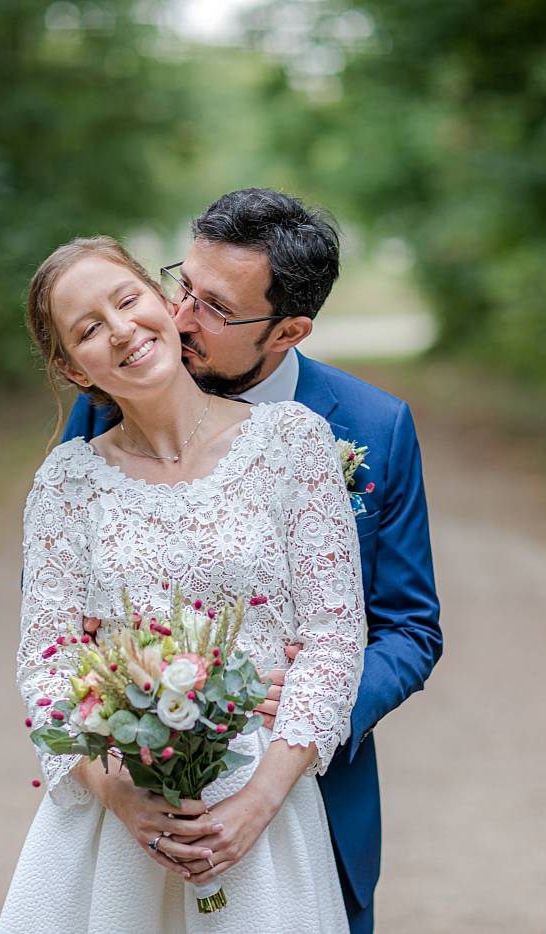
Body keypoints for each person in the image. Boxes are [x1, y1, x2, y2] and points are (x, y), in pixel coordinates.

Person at [61, 189, 443, 934]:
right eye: (183, 286)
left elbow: (411, 629)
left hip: (313, 799)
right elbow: (60, 613)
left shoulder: (374, 427)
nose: (179, 318)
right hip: (148, 789)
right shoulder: (113, 402)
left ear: (288, 330)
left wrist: (314, 702)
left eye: (215, 308)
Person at [0, 235, 366, 933]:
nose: (120, 330)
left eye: (127, 300)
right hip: (124, 816)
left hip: (263, 805)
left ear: (165, 301)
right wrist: (120, 796)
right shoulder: (66, 484)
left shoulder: (293, 444)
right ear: (72, 368)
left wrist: (257, 802)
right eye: (88, 330)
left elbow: (333, 637)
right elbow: (46, 664)